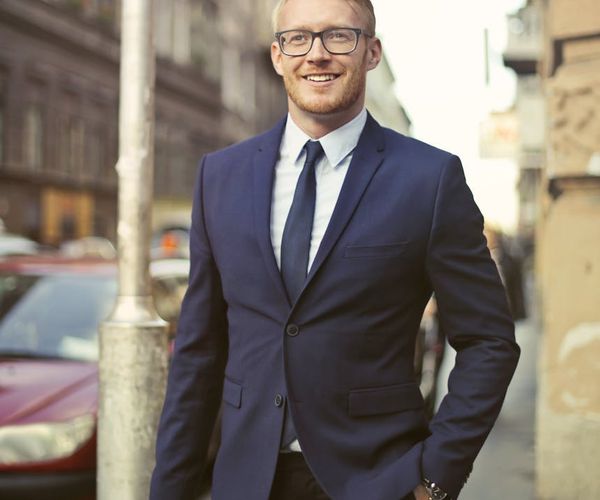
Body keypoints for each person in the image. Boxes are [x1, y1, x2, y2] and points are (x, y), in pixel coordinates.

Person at [149, 0, 520, 499]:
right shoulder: (220, 176)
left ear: (371, 52)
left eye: (339, 37)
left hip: (376, 481)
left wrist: (435, 477)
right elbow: (198, 353)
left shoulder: (429, 180)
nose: (316, 54)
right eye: (298, 38)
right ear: (278, 55)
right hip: (243, 480)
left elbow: (489, 341)